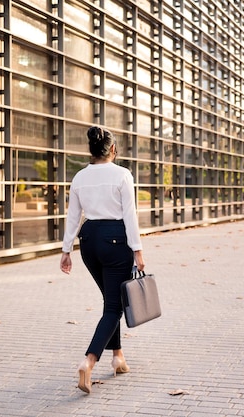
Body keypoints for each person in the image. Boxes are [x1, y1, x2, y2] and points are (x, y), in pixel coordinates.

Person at [59, 126, 145, 394]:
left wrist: (66, 250)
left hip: (88, 241)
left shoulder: (79, 177)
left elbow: (73, 215)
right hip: (116, 239)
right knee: (113, 307)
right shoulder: (122, 174)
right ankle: (89, 360)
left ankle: (118, 357)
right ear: (113, 150)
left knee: (111, 301)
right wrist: (138, 250)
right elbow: (129, 214)